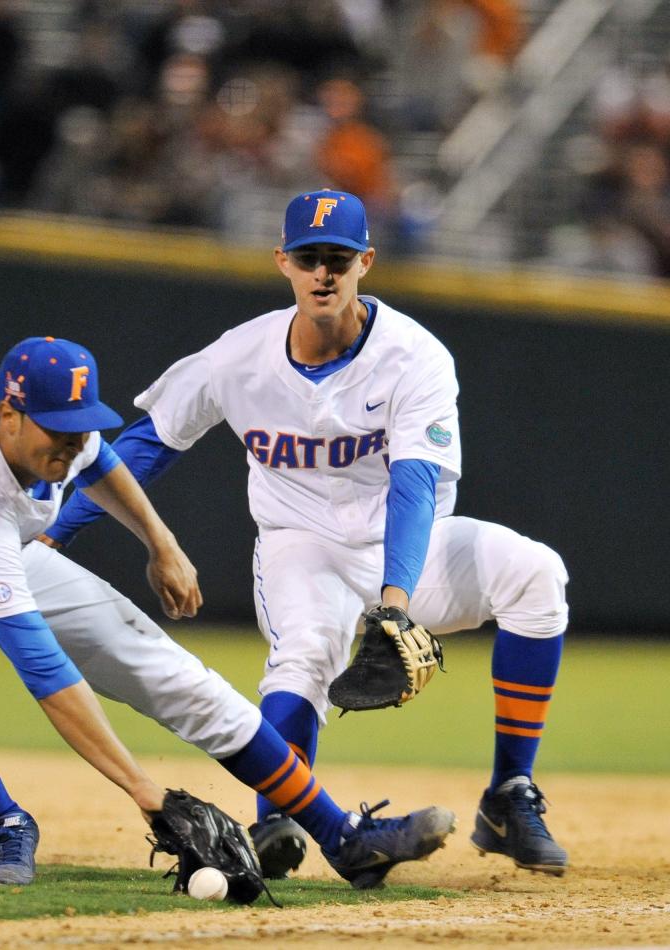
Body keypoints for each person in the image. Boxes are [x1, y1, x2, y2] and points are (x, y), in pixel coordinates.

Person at [48, 189, 570, 879]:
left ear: (365, 263)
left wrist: (396, 600)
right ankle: (278, 825)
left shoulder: (415, 357)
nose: (323, 273)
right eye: (308, 258)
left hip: (407, 547)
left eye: (338, 259)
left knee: (537, 574)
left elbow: (414, 486)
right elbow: (145, 447)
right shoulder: (239, 357)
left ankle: (508, 797)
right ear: (283, 263)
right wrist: (55, 535)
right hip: (303, 544)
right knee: (303, 654)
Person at [0, 335, 456, 890]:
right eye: (59, 429)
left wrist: (160, 543)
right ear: (9, 415)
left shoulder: (44, 424)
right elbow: (46, 673)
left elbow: (101, 460)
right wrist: (144, 789)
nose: (73, 441)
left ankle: (342, 836)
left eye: (80, 425)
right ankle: (6, 821)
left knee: (160, 664)